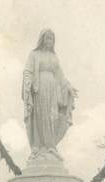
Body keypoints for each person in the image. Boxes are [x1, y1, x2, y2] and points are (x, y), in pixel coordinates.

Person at [22, 28, 78, 160]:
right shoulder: (34, 55)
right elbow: (28, 71)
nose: (49, 41)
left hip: (53, 91)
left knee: (52, 117)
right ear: (42, 39)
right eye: (47, 38)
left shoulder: (54, 57)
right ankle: (37, 146)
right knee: (40, 115)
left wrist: (68, 86)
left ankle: (50, 146)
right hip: (39, 88)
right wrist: (28, 83)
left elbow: (60, 76)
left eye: (52, 39)